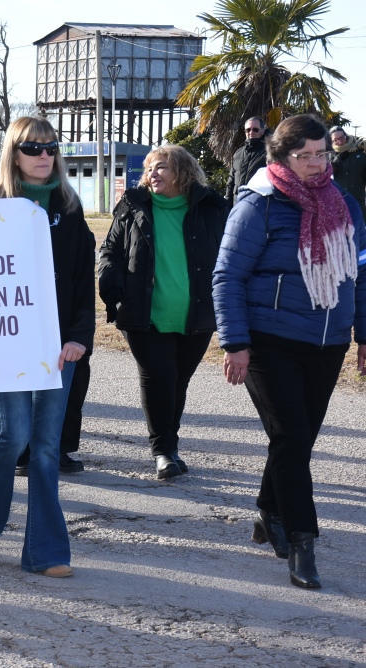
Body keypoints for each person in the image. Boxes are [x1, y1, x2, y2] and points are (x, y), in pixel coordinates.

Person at [214, 114, 366, 590]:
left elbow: (359, 273)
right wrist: (235, 343)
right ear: (281, 157)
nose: (316, 163)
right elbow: (227, 277)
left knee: (293, 441)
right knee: (293, 438)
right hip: (268, 341)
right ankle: (303, 540)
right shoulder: (259, 204)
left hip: (328, 341)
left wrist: (364, 334)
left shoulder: (345, 205)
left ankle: (268, 509)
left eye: (323, 153)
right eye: (305, 156)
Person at [0, 117, 95, 576]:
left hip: (59, 346)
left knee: (46, 446)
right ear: (13, 153)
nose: (44, 155)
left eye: (50, 147)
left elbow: (82, 281)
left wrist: (79, 336)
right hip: (2, 341)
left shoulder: (71, 208)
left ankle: (46, 552)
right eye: (33, 147)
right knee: (13, 434)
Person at [98, 145, 229, 479]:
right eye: (150, 169)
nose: (153, 174)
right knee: (159, 379)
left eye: (161, 168)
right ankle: (164, 451)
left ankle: (169, 444)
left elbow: (228, 255)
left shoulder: (211, 209)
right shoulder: (133, 206)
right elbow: (111, 248)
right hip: (145, 314)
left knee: (177, 382)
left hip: (196, 315)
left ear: (182, 172)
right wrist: (110, 281)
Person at [226, 117, 268, 207]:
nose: (251, 133)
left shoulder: (269, 152)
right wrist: (227, 205)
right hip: (237, 205)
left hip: (258, 206)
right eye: (248, 130)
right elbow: (231, 182)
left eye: (255, 130)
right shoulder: (238, 153)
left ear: (263, 131)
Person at [329, 126, 366, 216]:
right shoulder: (329, 156)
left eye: (341, 138)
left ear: (346, 136)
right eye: (335, 140)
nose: (339, 142)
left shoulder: (360, 152)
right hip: (337, 205)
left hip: (358, 202)